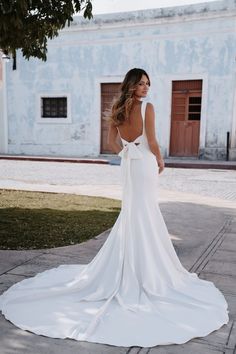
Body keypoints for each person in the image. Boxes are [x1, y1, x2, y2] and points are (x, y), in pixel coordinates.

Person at [0, 68, 229, 348]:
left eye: (148, 84)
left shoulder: (118, 109)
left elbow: (111, 143)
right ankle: (146, 270)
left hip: (129, 165)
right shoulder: (147, 109)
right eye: (142, 83)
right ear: (132, 85)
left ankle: (129, 265)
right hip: (143, 163)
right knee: (144, 212)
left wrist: (125, 151)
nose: (146, 88)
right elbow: (153, 141)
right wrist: (159, 160)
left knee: (134, 212)